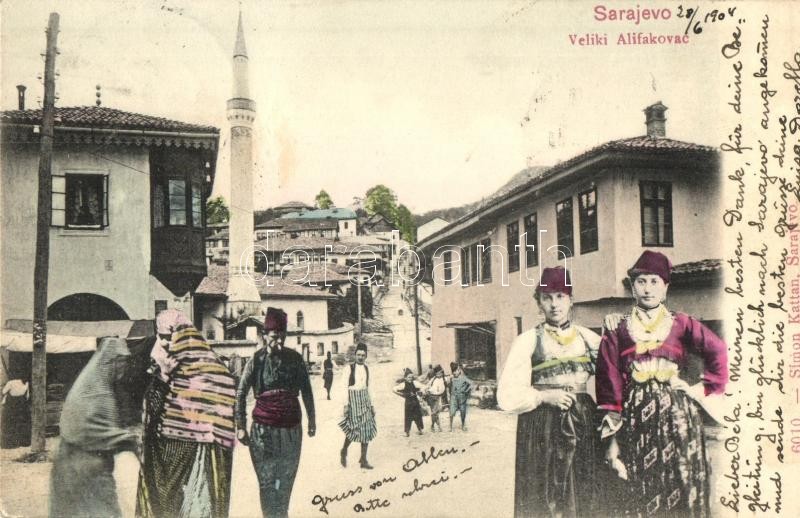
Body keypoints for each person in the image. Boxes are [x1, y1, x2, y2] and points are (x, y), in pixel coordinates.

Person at [596, 251, 728, 516]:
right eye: (641, 281)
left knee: (681, 478)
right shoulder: (618, 328)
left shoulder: (682, 323)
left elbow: (719, 352)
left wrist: (698, 389)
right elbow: (608, 378)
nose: (648, 289)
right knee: (640, 483)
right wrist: (613, 432)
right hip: (635, 417)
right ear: (633, 287)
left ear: (666, 287)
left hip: (677, 414)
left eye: (655, 281)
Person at [497, 266, 602, 518]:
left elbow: (615, 375)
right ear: (539, 303)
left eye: (560, 297)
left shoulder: (589, 339)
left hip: (582, 422)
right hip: (541, 426)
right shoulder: (528, 340)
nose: (554, 304)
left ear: (571, 300)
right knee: (544, 493)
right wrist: (544, 396)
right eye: (547, 298)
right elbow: (506, 395)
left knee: (584, 489)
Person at [136, 309, 236, 518]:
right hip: (164, 456)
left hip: (198, 456)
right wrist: (163, 377)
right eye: (161, 336)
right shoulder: (159, 365)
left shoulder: (211, 368)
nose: (164, 343)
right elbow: (149, 412)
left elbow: (225, 412)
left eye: (168, 336)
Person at [236, 307, 316, 518]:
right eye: (274, 337)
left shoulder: (295, 358)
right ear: (264, 335)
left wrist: (312, 420)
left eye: (283, 337)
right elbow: (241, 393)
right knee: (267, 483)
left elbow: (307, 390)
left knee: (285, 482)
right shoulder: (256, 360)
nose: (279, 342)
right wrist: (240, 426)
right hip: (263, 432)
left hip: (291, 431)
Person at [50, 336, 138, 518]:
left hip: (86, 464)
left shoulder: (101, 386)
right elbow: (89, 429)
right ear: (111, 362)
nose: (124, 366)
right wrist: (127, 439)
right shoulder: (95, 392)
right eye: (121, 361)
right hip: (81, 466)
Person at [338, 342, 377, 469]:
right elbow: (343, 387)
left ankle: (363, 460)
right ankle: (344, 450)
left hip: (364, 399)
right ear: (355, 355)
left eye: (363, 355)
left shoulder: (367, 369)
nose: (360, 357)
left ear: (366, 356)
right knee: (354, 428)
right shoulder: (348, 369)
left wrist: (372, 405)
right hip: (353, 400)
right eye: (358, 355)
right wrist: (346, 405)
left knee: (367, 428)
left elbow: (370, 388)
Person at [392, 368, 426, 436]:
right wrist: (402, 394)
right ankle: (407, 432)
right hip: (408, 403)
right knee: (408, 417)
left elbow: (424, 386)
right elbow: (394, 389)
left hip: (415, 402)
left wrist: (420, 392)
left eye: (411, 377)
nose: (410, 379)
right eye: (408, 377)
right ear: (405, 377)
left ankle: (420, 429)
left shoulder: (415, 383)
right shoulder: (403, 384)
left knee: (418, 416)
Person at [448, 362, 474, 431]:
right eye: (453, 371)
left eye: (456, 371)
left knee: (463, 412)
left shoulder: (463, 378)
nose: (455, 373)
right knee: (451, 412)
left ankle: (463, 425)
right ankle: (450, 426)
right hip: (454, 397)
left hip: (462, 397)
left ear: (459, 370)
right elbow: (449, 386)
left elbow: (471, 384)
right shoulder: (451, 378)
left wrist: (466, 390)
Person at [425, 365, 448, 432]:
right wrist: (426, 390)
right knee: (434, 413)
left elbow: (450, 380)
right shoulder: (433, 379)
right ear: (435, 373)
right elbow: (427, 385)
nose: (439, 374)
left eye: (440, 373)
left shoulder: (444, 379)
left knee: (435, 412)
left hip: (438, 397)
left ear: (442, 372)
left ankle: (433, 425)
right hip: (431, 396)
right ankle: (437, 426)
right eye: (437, 373)